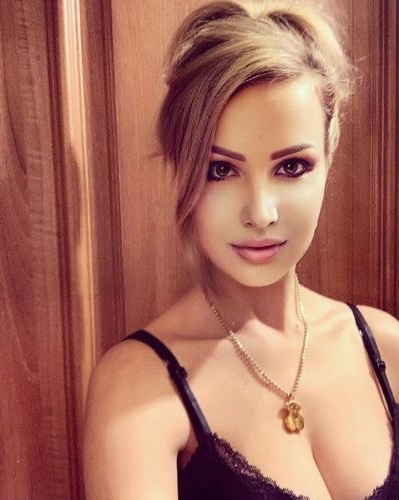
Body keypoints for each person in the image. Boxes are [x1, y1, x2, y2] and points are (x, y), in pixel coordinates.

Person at [83, 1, 399, 498]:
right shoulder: (139, 386)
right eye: (221, 170)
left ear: (328, 159)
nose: (261, 213)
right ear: (180, 170)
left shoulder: (385, 345)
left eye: (291, 167)